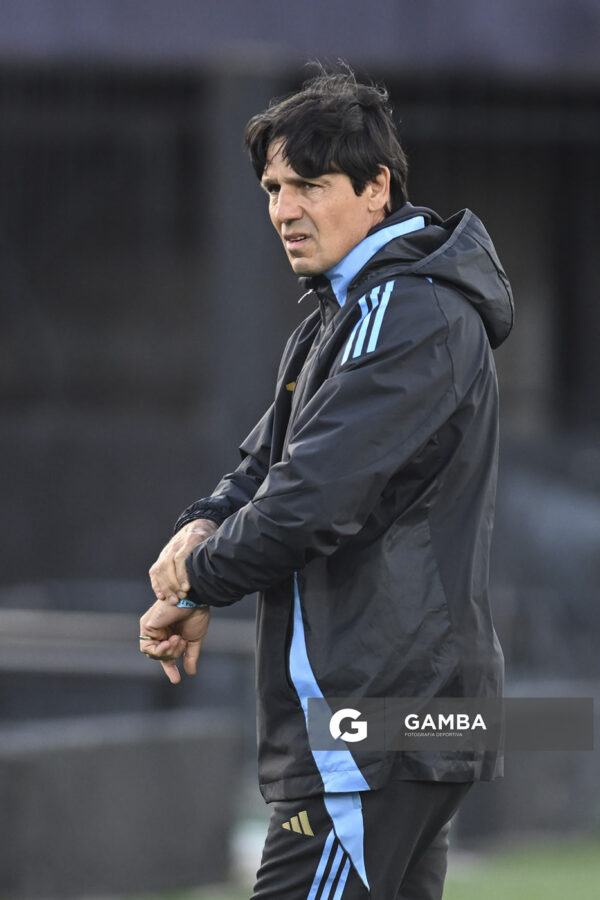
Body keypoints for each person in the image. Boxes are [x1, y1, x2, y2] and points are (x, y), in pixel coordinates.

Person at [139, 68, 513, 900]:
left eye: (309, 184)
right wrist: (201, 525)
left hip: (375, 723)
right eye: (274, 187)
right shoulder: (341, 316)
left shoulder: (405, 312)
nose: (282, 210)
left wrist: (198, 581)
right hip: (393, 723)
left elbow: (311, 498)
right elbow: (263, 471)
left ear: (377, 189)